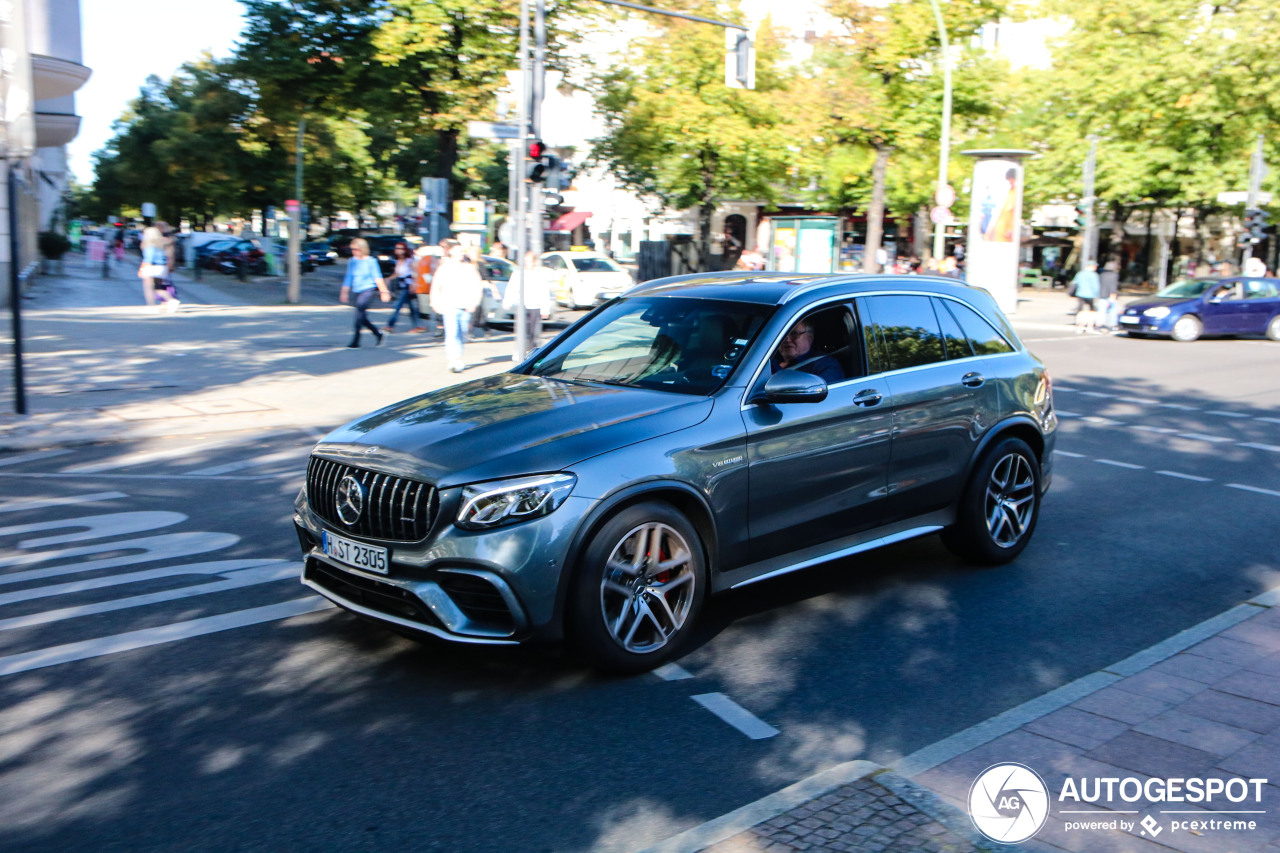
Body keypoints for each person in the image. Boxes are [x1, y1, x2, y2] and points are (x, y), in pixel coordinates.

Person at [430, 242, 484, 372]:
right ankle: (454, 359)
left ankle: (457, 355)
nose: (461, 253)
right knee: (452, 332)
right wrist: (434, 302)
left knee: (463, 331)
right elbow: (436, 285)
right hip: (449, 304)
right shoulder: (444, 268)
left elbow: (477, 286)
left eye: (462, 251)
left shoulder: (470, 268)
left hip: (465, 305)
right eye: (458, 251)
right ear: (451, 252)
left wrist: (474, 302)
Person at [339, 237, 391, 348]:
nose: (353, 251)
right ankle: (378, 334)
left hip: (368, 290)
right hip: (357, 290)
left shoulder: (371, 261)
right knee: (361, 316)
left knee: (359, 313)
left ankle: (356, 341)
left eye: (356, 249)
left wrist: (384, 291)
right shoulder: (352, 261)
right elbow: (349, 277)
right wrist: (344, 292)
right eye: (352, 249)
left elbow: (377, 277)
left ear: (362, 249)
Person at [504, 251, 554, 358]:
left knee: (533, 332)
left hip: (535, 306)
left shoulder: (539, 275)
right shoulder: (517, 274)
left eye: (529, 261)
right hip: (522, 306)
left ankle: (531, 352)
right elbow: (512, 289)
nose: (527, 263)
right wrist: (508, 301)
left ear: (534, 262)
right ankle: (519, 350)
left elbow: (544, 292)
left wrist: (545, 309)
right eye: (525, 261)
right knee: (521, 330)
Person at [770, 318, 843, 383]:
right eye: (783, 334)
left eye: (794, 334)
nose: (787, 339)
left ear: (810, 338)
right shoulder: (767, 360)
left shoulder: (826, 366)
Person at [382, 241, 425, 333]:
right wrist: (388, 278)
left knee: (398, 305)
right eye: (397, 248)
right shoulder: (398, 261)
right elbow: (397, 274)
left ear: (405, 250)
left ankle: (390, 326)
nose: (399, 250)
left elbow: (416, 272)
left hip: (408, 285)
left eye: (401, 248)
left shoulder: (409, 261)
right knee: (413, 307)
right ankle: (419, 326)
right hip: (402, 285)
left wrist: (415, 284)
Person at [138, 226, 178, 312]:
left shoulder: (149, 245)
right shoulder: (160, 245)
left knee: (148, 288)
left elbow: (148, 259)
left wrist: (141, 269)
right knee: (158, 287)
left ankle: (151, 306)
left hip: (152, 267)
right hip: (162, 268)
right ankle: (172, 300)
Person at [1070, 262, 1101, 333]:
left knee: (1080, 309)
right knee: (1092, 311)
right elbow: (1096, 286)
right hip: (1091, 295)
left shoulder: (1080, 274)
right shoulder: (1094, 275)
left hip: (1080, 293)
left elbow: (1075, 282)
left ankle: (1078, 325)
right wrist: (1097, 295)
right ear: (1092, 266)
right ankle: (1090, 326)